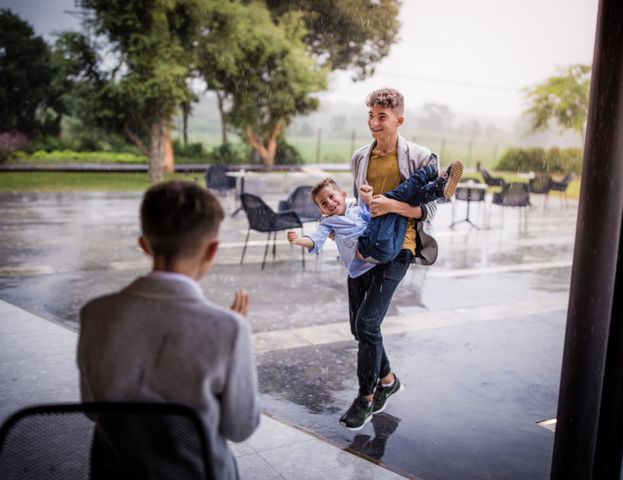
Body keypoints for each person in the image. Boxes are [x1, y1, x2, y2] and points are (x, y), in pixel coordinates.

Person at [77, 180, 260, 480]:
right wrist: (227, 331)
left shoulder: (95, 315)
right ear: (212, 250)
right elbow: (240, 428)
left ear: (144, 244)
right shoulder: (228, 330)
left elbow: (93, 411)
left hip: (115, 473)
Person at [345, 87, 443, 430]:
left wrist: (391, 205)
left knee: (368, 324)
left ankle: (366, 398)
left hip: (402, 246)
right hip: (365, 248)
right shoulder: (360, 157)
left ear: (399, 120)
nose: (374, 122)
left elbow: (428, 208)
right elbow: (361, 206)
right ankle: (388, 380)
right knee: (359, 326)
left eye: (381, 117)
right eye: (370, 116)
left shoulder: (419, 157)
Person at [287, 156, 462, 277]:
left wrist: (368, 197)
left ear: (342, 194)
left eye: (331, 197)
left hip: (388, 246)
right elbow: (315, 240)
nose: (330, 203)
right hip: (369, 248)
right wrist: (299, 241)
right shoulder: (328, 222)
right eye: (324, 204)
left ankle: (437, 187)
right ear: (322, 211)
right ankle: (432, 180)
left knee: (395, 202)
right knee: (391, 198)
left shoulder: (355, 208)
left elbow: (374, 214)